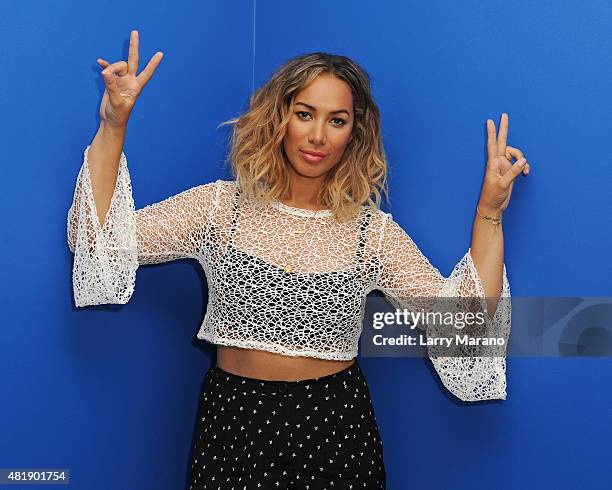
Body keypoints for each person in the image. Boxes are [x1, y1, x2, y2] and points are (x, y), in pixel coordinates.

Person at [67, 30, 530, 490]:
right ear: (279, 118)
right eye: (304, 114)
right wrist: (113, 124)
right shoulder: (217, 208)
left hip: (336, 428)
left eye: (337, 120)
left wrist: (489, 212)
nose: (317, 135)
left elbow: (465, 332)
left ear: (356, 131)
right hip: (234, 423)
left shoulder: (374, 233)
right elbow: (103, 244)